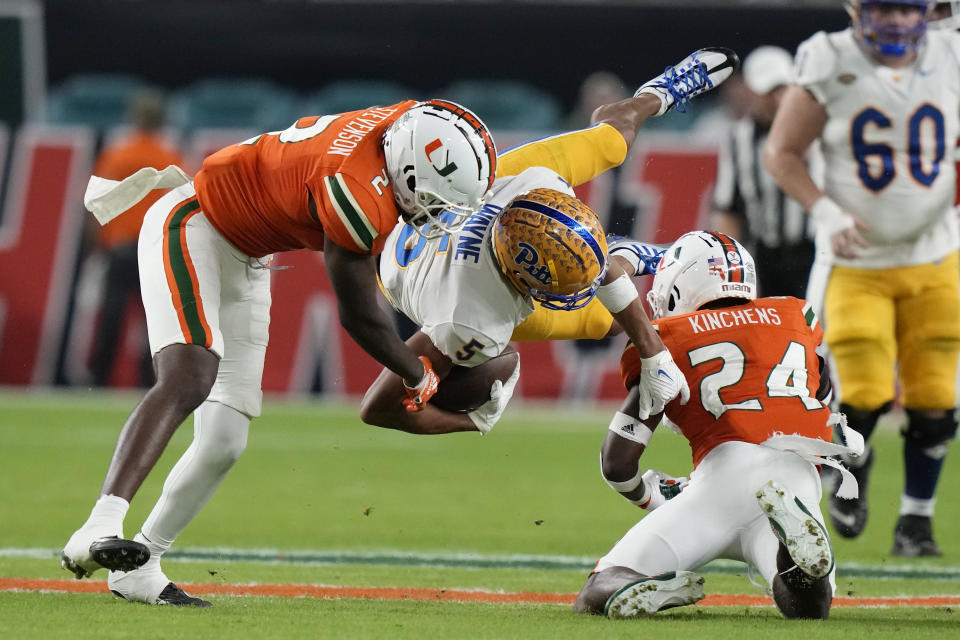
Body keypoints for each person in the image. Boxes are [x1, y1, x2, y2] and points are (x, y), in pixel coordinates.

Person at [61, 98, 498, 606]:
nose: (436, 214)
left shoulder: (408, 125)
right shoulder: (356, 189)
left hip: (249, 252)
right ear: (402, 171)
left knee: (226, 438)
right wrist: (416, 372)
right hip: (193, 222)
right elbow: (358, 315)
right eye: (433, 200)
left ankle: (142, 562)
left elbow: (441, 143)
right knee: (189, 375)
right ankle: (96, 527)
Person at [360, 48, 740, 434]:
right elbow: (377, 407)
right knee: (610, 322)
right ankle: (627, 256)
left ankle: (654, 95)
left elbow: (587, 260)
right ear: (524, 287)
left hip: (488, 196)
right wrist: (470, 421)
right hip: (417, 270)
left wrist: (653, 354)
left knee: (609, 141)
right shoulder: (467, 321)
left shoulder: (538, 182)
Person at [571, 230, 863, 620]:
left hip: (725, 477)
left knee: (597, 589)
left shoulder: (667, 339)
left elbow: (617, 464)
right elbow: (819, 396)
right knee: (810, 606)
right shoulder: (797, 318)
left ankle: (644, 585)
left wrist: (647, 494)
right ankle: (794, 558)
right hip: (798, 476)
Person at [763, 0, 960, 556]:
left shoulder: (951, 51)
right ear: (855, 8)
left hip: (937, 252)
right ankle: (855, 460)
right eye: (883, 7)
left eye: (908, 7)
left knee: (937, 398)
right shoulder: (828, 58)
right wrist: (825, 213)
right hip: (858, 262)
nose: (897, 21)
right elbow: (781, 152)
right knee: (865, 392)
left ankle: (916, 523)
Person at [87, 91, 184, 387]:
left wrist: (97, 246)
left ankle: (99, 380)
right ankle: (150, 382)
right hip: (155, 251)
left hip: (120, 250)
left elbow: (95, 205)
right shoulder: (170, 157)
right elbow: (182, 205)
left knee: (112, 319)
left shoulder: (117, 153)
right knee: (154, 324)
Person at [711, 46, 818, 298]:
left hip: (817, 250)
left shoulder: (818, 130)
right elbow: (729, 209)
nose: (776, 99)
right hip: (767, 256)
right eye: (768, 92)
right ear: (750, 92)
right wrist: (730, 268)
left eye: (781, 89)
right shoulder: (739, 140)